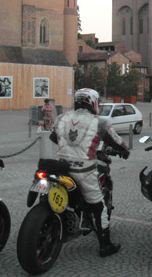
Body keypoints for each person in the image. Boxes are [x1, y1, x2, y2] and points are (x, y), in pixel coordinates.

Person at [53, 88, 130, 257]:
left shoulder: (61, 118)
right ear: (94, 102)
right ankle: (105, 245)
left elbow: (54, 137)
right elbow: (116, 141)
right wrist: (125, 150)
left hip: (60, 168)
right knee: (98, 206)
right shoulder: (99, 122)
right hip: (83, 171)